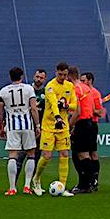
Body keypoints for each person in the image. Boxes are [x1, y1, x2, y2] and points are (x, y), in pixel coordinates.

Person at [37, 62, 77, 195]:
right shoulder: (50, 87)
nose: (63, 77)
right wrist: (58, 117)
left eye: (65, 75)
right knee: (47, 156)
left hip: (63, 127)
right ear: (56, 73)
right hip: (49, 126)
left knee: (65, 154)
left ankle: (62, 186)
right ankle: (36, 179)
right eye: (60, 74)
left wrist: (66, 106)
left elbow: (74, 105)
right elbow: (54, 104)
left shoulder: (69, 86)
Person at [0, 66, 38, 196]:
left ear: (10, 77)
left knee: (12, 155)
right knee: (31, 154)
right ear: (22, 76)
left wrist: (0, 127)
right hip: (27, 125)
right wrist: (37, 125)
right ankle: (27, 186)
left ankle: (12, 188)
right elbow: (33, 109)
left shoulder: (3, 91)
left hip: (12, 126)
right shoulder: (28, 89)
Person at [72, 70, 105, 193]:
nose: (82, 82)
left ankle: (92, 181)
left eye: (84, 80)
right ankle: (90, 182)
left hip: (91, 123)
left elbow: (100, 112)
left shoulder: (94, 93)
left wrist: (91, 109)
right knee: (87, 154)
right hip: (88, 124)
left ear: (90, 80)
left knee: (90, 154)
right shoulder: (85, 91)